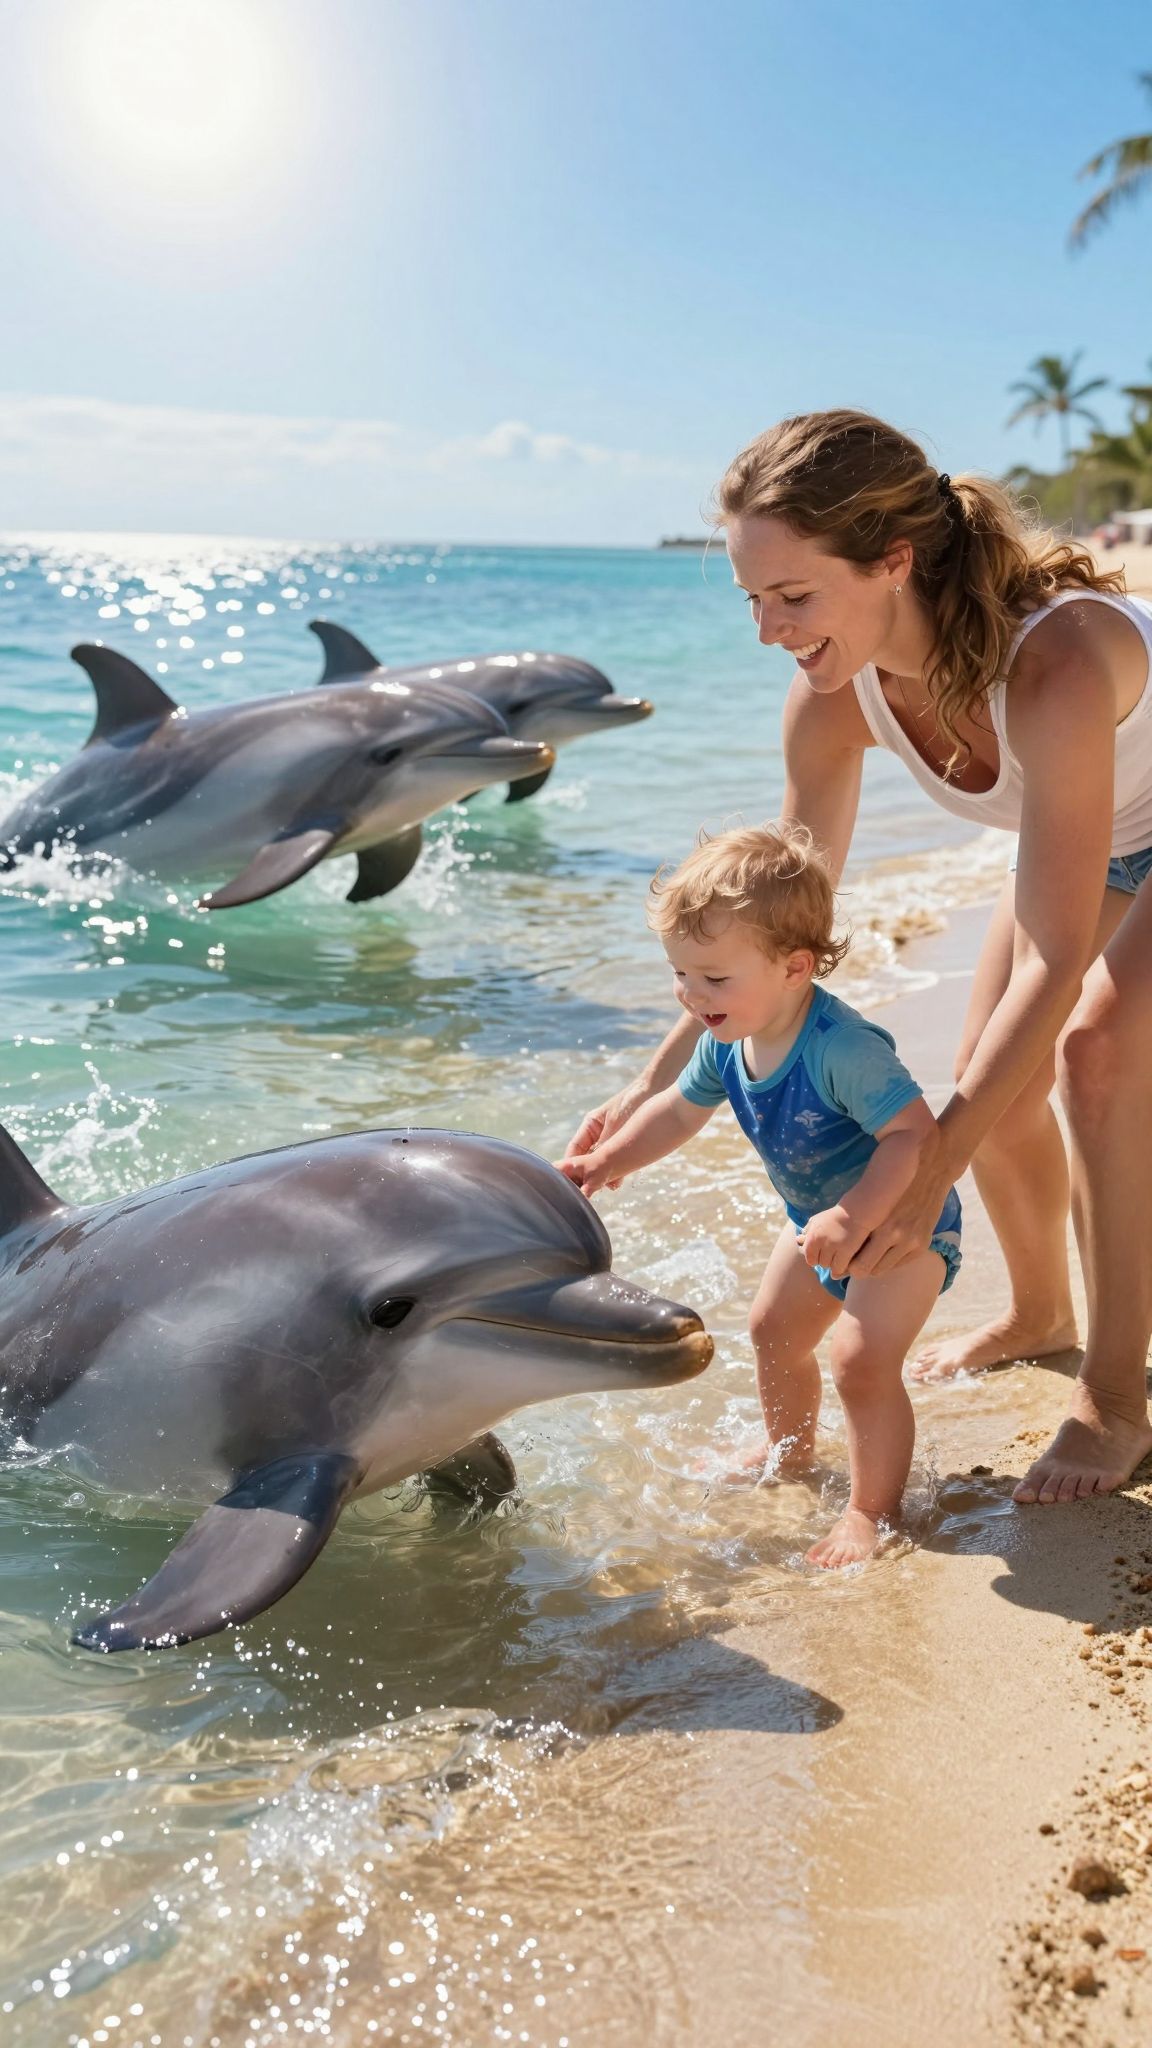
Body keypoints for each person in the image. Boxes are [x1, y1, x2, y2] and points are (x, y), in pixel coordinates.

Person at [564, 409, 1152, 1508]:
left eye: (793, 596)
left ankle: (1116, 1397)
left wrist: (926, 1166)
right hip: (1099, 829)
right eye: (753, 598)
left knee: (1093, 1054)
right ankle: (1041, 1312)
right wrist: (647, 1088)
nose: (768, 630)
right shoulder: (835, 702)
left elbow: (1060, 954)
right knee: (998, 1089)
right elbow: (778, 929)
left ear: (894, 559)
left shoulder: (1058, 662)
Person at [560, 823, 962, 1567]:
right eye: (681, 974)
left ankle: (871, 1513)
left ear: (794, 967)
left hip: (900, 1223)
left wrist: (855, 1215)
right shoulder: (726, 1038)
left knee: (859, 1361)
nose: (693, 995)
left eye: (714, 978)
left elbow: (914, 1136)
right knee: (773, 1330)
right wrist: (608, 1160)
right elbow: (679, 1112)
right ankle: (791, 1455)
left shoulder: (841, 1047)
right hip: (816, 1220)